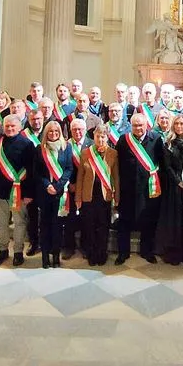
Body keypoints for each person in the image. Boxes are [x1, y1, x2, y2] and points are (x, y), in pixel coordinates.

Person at [115, 113, 164, 265]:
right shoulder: (124, 140)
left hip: (148, 188)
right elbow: (118, 162)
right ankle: (123, 253)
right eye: (135, 125)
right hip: (127, 188)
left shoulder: (155, 139)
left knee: (148, 221)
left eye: (140, 125)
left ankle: (147, 251)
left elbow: (161, 162)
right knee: (124, 221)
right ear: (131, 125)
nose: (138, 128)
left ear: (146, 125)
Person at [0, 115, 36, 267]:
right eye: (7, 126)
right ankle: (3, 250)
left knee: (19, 223)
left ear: (19, 127)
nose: (9, 128)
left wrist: (29, 194)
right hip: (0, 190)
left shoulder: (28, 144)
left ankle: (18, 252)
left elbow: (31, 171)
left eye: (13, 126)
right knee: (1, 223)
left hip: (20, 192)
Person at [77, 124, 119, 266]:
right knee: (89, 226)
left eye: (103, 136)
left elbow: (116, 177)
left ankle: (102, 253)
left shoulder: (113, 153)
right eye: (97, 136)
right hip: (88, 196)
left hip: (105, 196)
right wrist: (78, 197)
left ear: (107, 137)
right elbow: (80, 177)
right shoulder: (85, 153)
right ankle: (91, 253)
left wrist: (117, 196)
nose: (100, 139)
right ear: (93, 137)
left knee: (103, 225)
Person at [33, 121, 73, 268]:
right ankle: (45, 255)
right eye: (50, 131)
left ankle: (56, 255)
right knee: (44, 225)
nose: (54, 134)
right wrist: (47, 185)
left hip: (60, 194)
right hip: (45, 193)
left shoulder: (66, 147)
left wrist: (58, 185)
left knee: (57, 226)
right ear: (46, 133)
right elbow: (36, 172)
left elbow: (69, 168)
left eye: (56, 131)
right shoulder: (40, 149)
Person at [157, 115, 183, 265]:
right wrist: (178, 181)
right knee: (173, 221)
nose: (179, 126)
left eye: (181, 123)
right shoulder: (167, 144)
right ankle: (173, 254)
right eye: (176, 123)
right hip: (173, 186)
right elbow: (167, 166)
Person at [63, 119, 91, 259]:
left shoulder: (92, 144)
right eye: (74, 130)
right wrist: (70, 183)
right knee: (70, 219)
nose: (78, 132)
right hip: (71, 188)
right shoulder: (65, 145)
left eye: (80, 129)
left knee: (87, 219)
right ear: (70, 130)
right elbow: (61, 167)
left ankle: (86, 246)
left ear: (85, 129)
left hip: (88, 190)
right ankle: (69, 247)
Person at [22, 109, 44, 256]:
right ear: (29, 121)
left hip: (47, 183)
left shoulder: (50, 133)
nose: (36, 122)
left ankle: (46, 242)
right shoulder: (24, 137)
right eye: (33, 119)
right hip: (30, 183)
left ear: (43, 118)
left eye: (39, 119)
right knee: (32, 217)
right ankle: (34, 243)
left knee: (47, 216)